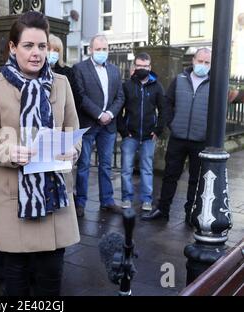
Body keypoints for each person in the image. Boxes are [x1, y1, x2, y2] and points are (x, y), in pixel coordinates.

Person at [0, 11, 81, 296]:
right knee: (16, 285)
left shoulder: (62, 84)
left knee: (51, 282)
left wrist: (72, 150)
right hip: (15, 203)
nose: (37, 53)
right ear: (12, 47)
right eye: (28, 46)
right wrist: (10, 152)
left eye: (42, 46)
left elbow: (73, 132)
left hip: (54, 201)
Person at [142, 48, 212, 223]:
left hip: (200, 140)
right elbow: (167, 103)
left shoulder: (214, 84)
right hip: (178, 137)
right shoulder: (179, 80)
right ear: (193, 61)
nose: (202, 65)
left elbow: (217, 111)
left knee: (196, 179)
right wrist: (171, 123)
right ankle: (163, 210)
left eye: (207, 62)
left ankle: (191, 213)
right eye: (200, 61)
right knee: (170, 175)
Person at [73, 35, 125, 218]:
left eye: (105, 49)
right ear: (90, 50)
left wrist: (109, 114)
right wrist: (99, 114)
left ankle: (107, 201)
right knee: (84, 165)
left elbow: (120, 97)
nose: (102, 52)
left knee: (106, 165)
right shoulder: (79, 69)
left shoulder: (115, 70)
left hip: (108, 126)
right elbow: (80, 96)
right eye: (98, 49)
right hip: (88, 124)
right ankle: (80, 202)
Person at [118, 52, 167, 211]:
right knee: (126, 169)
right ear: (134, 67)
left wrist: (157, 130)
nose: (142, 69)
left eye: (145, 66)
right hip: (130, 135)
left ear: (150, 67)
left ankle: (147, 199)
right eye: (139, 66)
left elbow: (164, 110)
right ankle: (126, 198)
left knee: (147, 169)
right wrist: (124, 131)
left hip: (148, 136)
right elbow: (119, 111)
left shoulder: (157, 86)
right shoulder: (127, 86)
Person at [48, 34, 80, 105]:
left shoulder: (68, 72)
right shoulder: (35, 70)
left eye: (56, 50)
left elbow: (76, 97)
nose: (52, 52)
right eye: (48, 49)